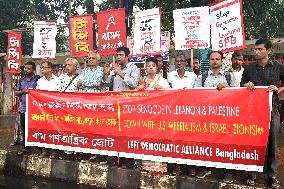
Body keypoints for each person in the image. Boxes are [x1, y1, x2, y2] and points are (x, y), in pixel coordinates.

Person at [241, 38, 283, 189]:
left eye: (260, 49)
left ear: (269, 51)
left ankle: (272, 176)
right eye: (255, 49)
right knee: (253, 142)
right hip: (253, 112)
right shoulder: (249, 69)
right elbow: (241, 85)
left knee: (272, 143)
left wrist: (278, 89)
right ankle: (251, 173)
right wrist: (247, 85)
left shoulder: (279, 67)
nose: (256, 52)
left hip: (273, 111)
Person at [193, 51, 237, 180]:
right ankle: (205, 169)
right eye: (212, 59)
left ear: (222, 61)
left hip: (225, 115)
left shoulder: (229, 76)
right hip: (207, 116)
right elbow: (195, 94)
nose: (215, 61)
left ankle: (228, 171)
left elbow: (238, 93)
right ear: (209, 61)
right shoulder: (202, 77)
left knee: (226, 142)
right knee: (205, 142)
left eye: (217, 59)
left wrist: (227, 87)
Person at [103, 46, 140, 168]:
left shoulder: (133, 68)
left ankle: (128, 161)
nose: (118, 57)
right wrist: (106, 74)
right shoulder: (115, 69)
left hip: (128, 106)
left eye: (121, 55)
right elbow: (108, 84)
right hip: (115, 105)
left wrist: (121, 73)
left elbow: (134, 83)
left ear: (127, 56)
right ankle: (115, 159)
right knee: (115, 132)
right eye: (117, 55)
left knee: (127, 133)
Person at [16, 61, 39, 155]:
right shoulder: (21, 80)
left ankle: (38, 148)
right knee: (24, 128)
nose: (26, 70)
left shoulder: (38, 79)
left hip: (35, 109)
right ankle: (26, 147)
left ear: (33, 69)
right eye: (25, 68)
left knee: (36, 128)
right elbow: (16, 92)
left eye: (29, 68)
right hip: (24, 108)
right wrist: (23, 91)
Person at [36, 61, 58, 158]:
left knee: (54, 130)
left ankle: (54, 151)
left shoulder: (58, 80)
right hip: (43, 110)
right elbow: (36, 94)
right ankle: (45, 150)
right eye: (41, 67)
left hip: (54, 110)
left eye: (44, 67)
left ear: (50, 69)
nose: (42, 69)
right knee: (44, 130)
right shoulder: (40, 81)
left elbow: (59, 94)